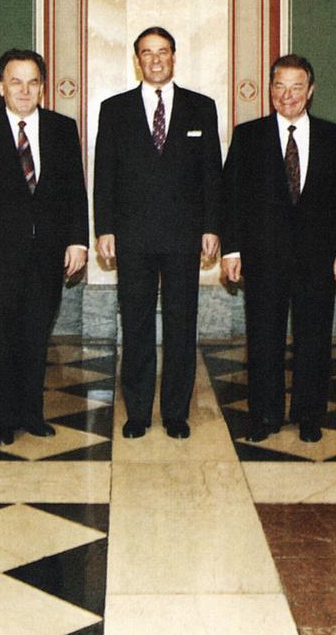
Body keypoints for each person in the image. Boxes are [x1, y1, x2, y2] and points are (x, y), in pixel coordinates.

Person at [94, 26, 222, 440]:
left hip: (185, 237)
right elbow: (104, 174)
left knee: (182, 326)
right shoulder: (114, 109)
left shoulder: (201, 107)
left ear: (173, 57)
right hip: (132, 237)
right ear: (137, 60)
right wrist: (105, 228)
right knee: (136, 325)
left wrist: (211, 227)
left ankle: (175, 412)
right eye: (147, 53)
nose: (155, 60)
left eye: (162, 52)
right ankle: (136, 412)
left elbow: (211, 175)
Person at [221, 54, 336, 443]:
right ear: (270, 89)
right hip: (263, 257)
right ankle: (264, 415)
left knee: (315, 339)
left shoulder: (335, 137)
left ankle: (309, 414)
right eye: (280, 86)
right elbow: (232, 197)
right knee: (264, 339)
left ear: (310, 91)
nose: (288, 95)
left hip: (318, 259)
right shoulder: (248, 136)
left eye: (297, 87)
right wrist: (232, 250)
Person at [0, 48, 88, 446]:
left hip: (47, 256)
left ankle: (32, 413)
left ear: (42, 88)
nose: (25, 90)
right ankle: (1, 417)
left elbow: (74, 193)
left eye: (33, 82)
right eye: (16, 81)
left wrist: (78, 241)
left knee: (36, 338)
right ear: (1, 87)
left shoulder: (62, 129)